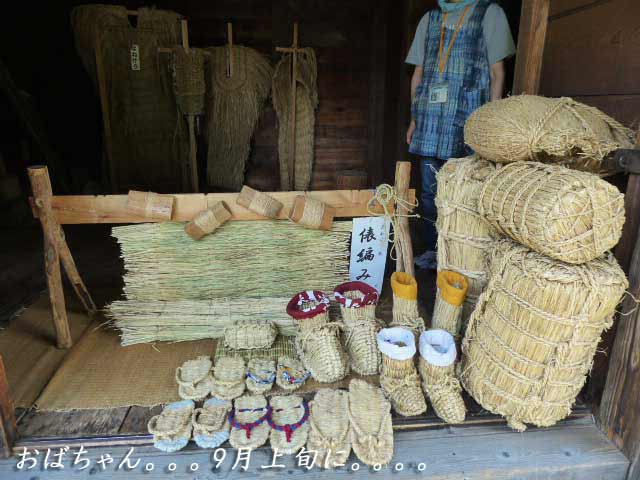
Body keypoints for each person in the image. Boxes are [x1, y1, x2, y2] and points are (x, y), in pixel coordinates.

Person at [406, 0, 515, 270]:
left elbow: (497, 73)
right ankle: (434, 252)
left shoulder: (490, 13)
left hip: (468, 124)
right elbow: (418, 74)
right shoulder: (429, 19)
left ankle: (463, 258)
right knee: (431, 196)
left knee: (468, 195)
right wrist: (413, 119)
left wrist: (491, 123)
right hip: (430, 125)